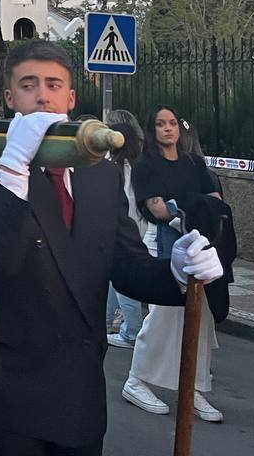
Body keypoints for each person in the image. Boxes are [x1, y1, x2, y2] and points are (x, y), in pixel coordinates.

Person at [0, 41, 223, 455]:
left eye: (53, 84)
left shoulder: (100, 175)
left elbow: (125, 263)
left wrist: (176, 271)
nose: (42, 95)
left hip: (79, 402)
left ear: (70, 98)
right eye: (28, 85)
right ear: (8, 98)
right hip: (2, 404)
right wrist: (15, 166)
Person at [121, 105, 227, 422]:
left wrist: (183, 207)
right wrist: (192, 207)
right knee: (165, 316)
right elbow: (158, 211)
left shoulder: (193, 162)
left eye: (172, 123)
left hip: (202, 244)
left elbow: (215, 199)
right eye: (160, 124)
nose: (168, 129)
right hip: (166, 244)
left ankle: (192, 387)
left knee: (201, 318)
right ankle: (136, 380)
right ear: (151, 130)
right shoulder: (145, 166)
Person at [103, 108, 147, 349]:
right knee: (113, 277)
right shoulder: (136, 164)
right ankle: (106, 321)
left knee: (123, 282)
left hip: (120, 227)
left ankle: (132, 331)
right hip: (135, 226)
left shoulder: (115, 166)